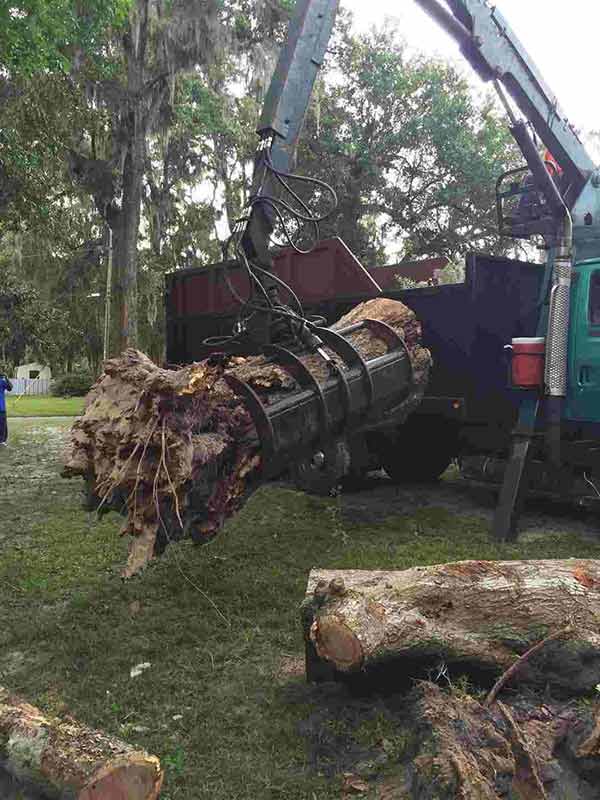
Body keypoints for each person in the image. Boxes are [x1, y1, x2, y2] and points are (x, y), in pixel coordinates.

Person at [0, 372, 13, 445]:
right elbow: (10, 387)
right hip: (1, 409)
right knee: (3, 426)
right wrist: (6, 378)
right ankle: (2, 441)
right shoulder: (2, 381)